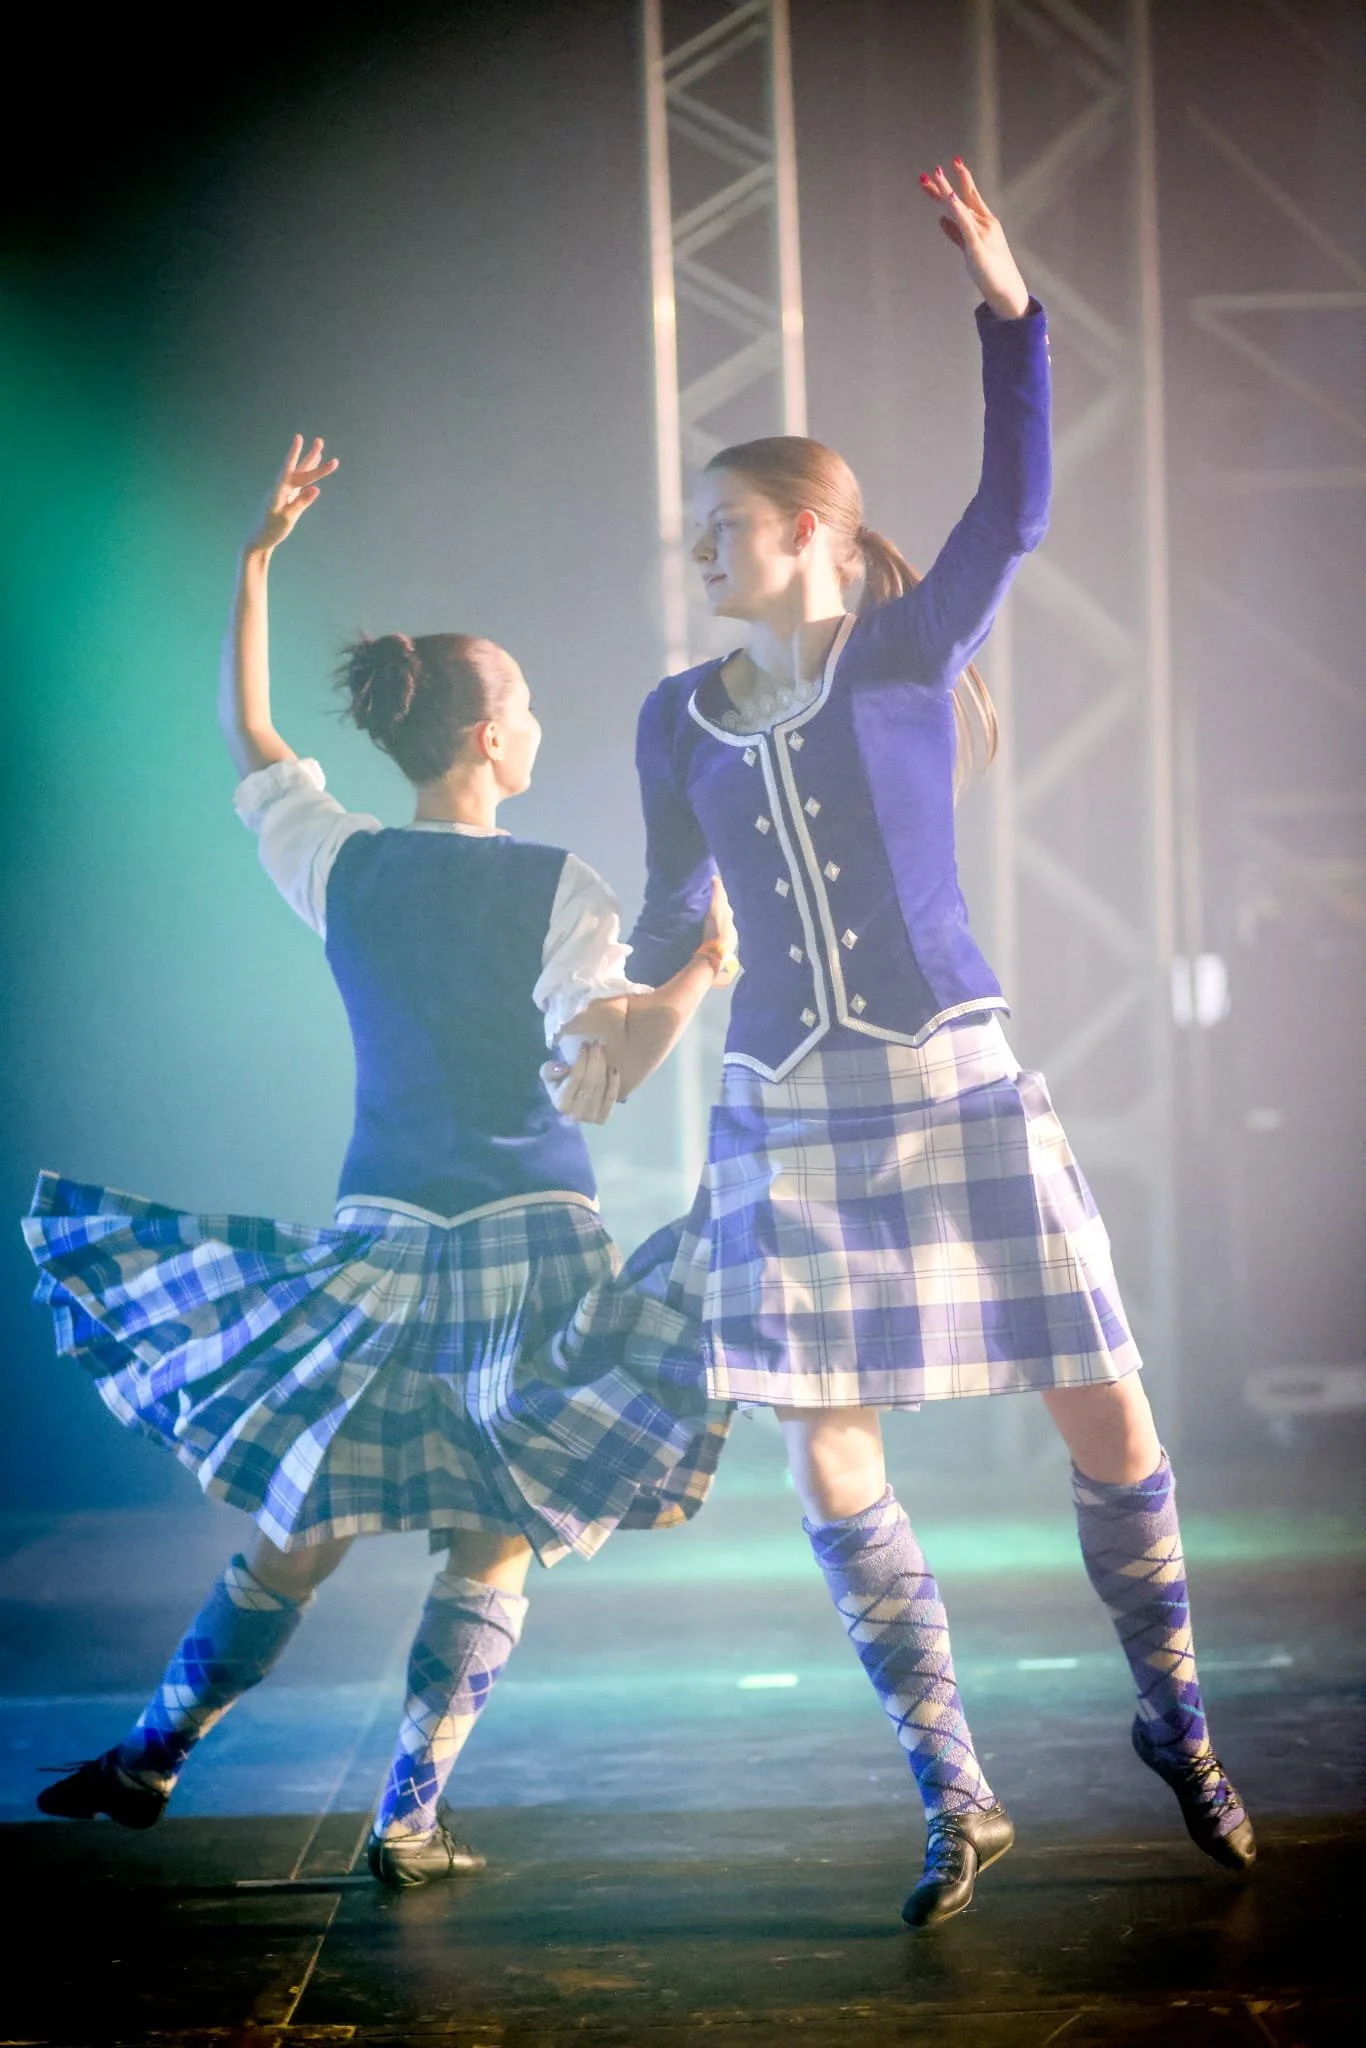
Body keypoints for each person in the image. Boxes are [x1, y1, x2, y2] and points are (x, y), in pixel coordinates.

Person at [601, 158, 1255, 1928]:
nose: (699, 548)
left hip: (954, 1078)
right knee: (824, 1449)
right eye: (691, 530)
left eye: (723, 522)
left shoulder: (902, 647)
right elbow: (673, 910)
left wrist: (1007, 304)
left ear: (815, 527)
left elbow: (1015, 507)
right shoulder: (674, 719)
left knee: (1105, 1409)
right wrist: (637, 1005)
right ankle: (952, 1787)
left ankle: (1174, 1716)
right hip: (782, 1103)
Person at [24, 436, 735, 1888]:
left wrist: (253, 562)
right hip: (531, 1236)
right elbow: (601, 1069)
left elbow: (251, 737)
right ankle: (408, 1814)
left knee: (303, 1523)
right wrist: (693, 981)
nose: (536, 723)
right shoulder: (557, 887)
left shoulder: (340, 860)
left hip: (384, 1232)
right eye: (523, 706)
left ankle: (152, 1753)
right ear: (485, 740)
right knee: (496, 1534)